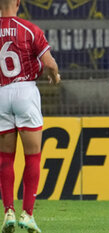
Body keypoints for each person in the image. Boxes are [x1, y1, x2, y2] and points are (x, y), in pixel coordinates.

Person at [0, 0, 60, 232]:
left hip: (2, 93)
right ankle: (27, 214)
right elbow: (49, 64)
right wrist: (54, 77)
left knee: (5, 157)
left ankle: (8, 212)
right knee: (32, 156)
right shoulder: (29, 29)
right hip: (25, 91)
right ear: (18, 2)